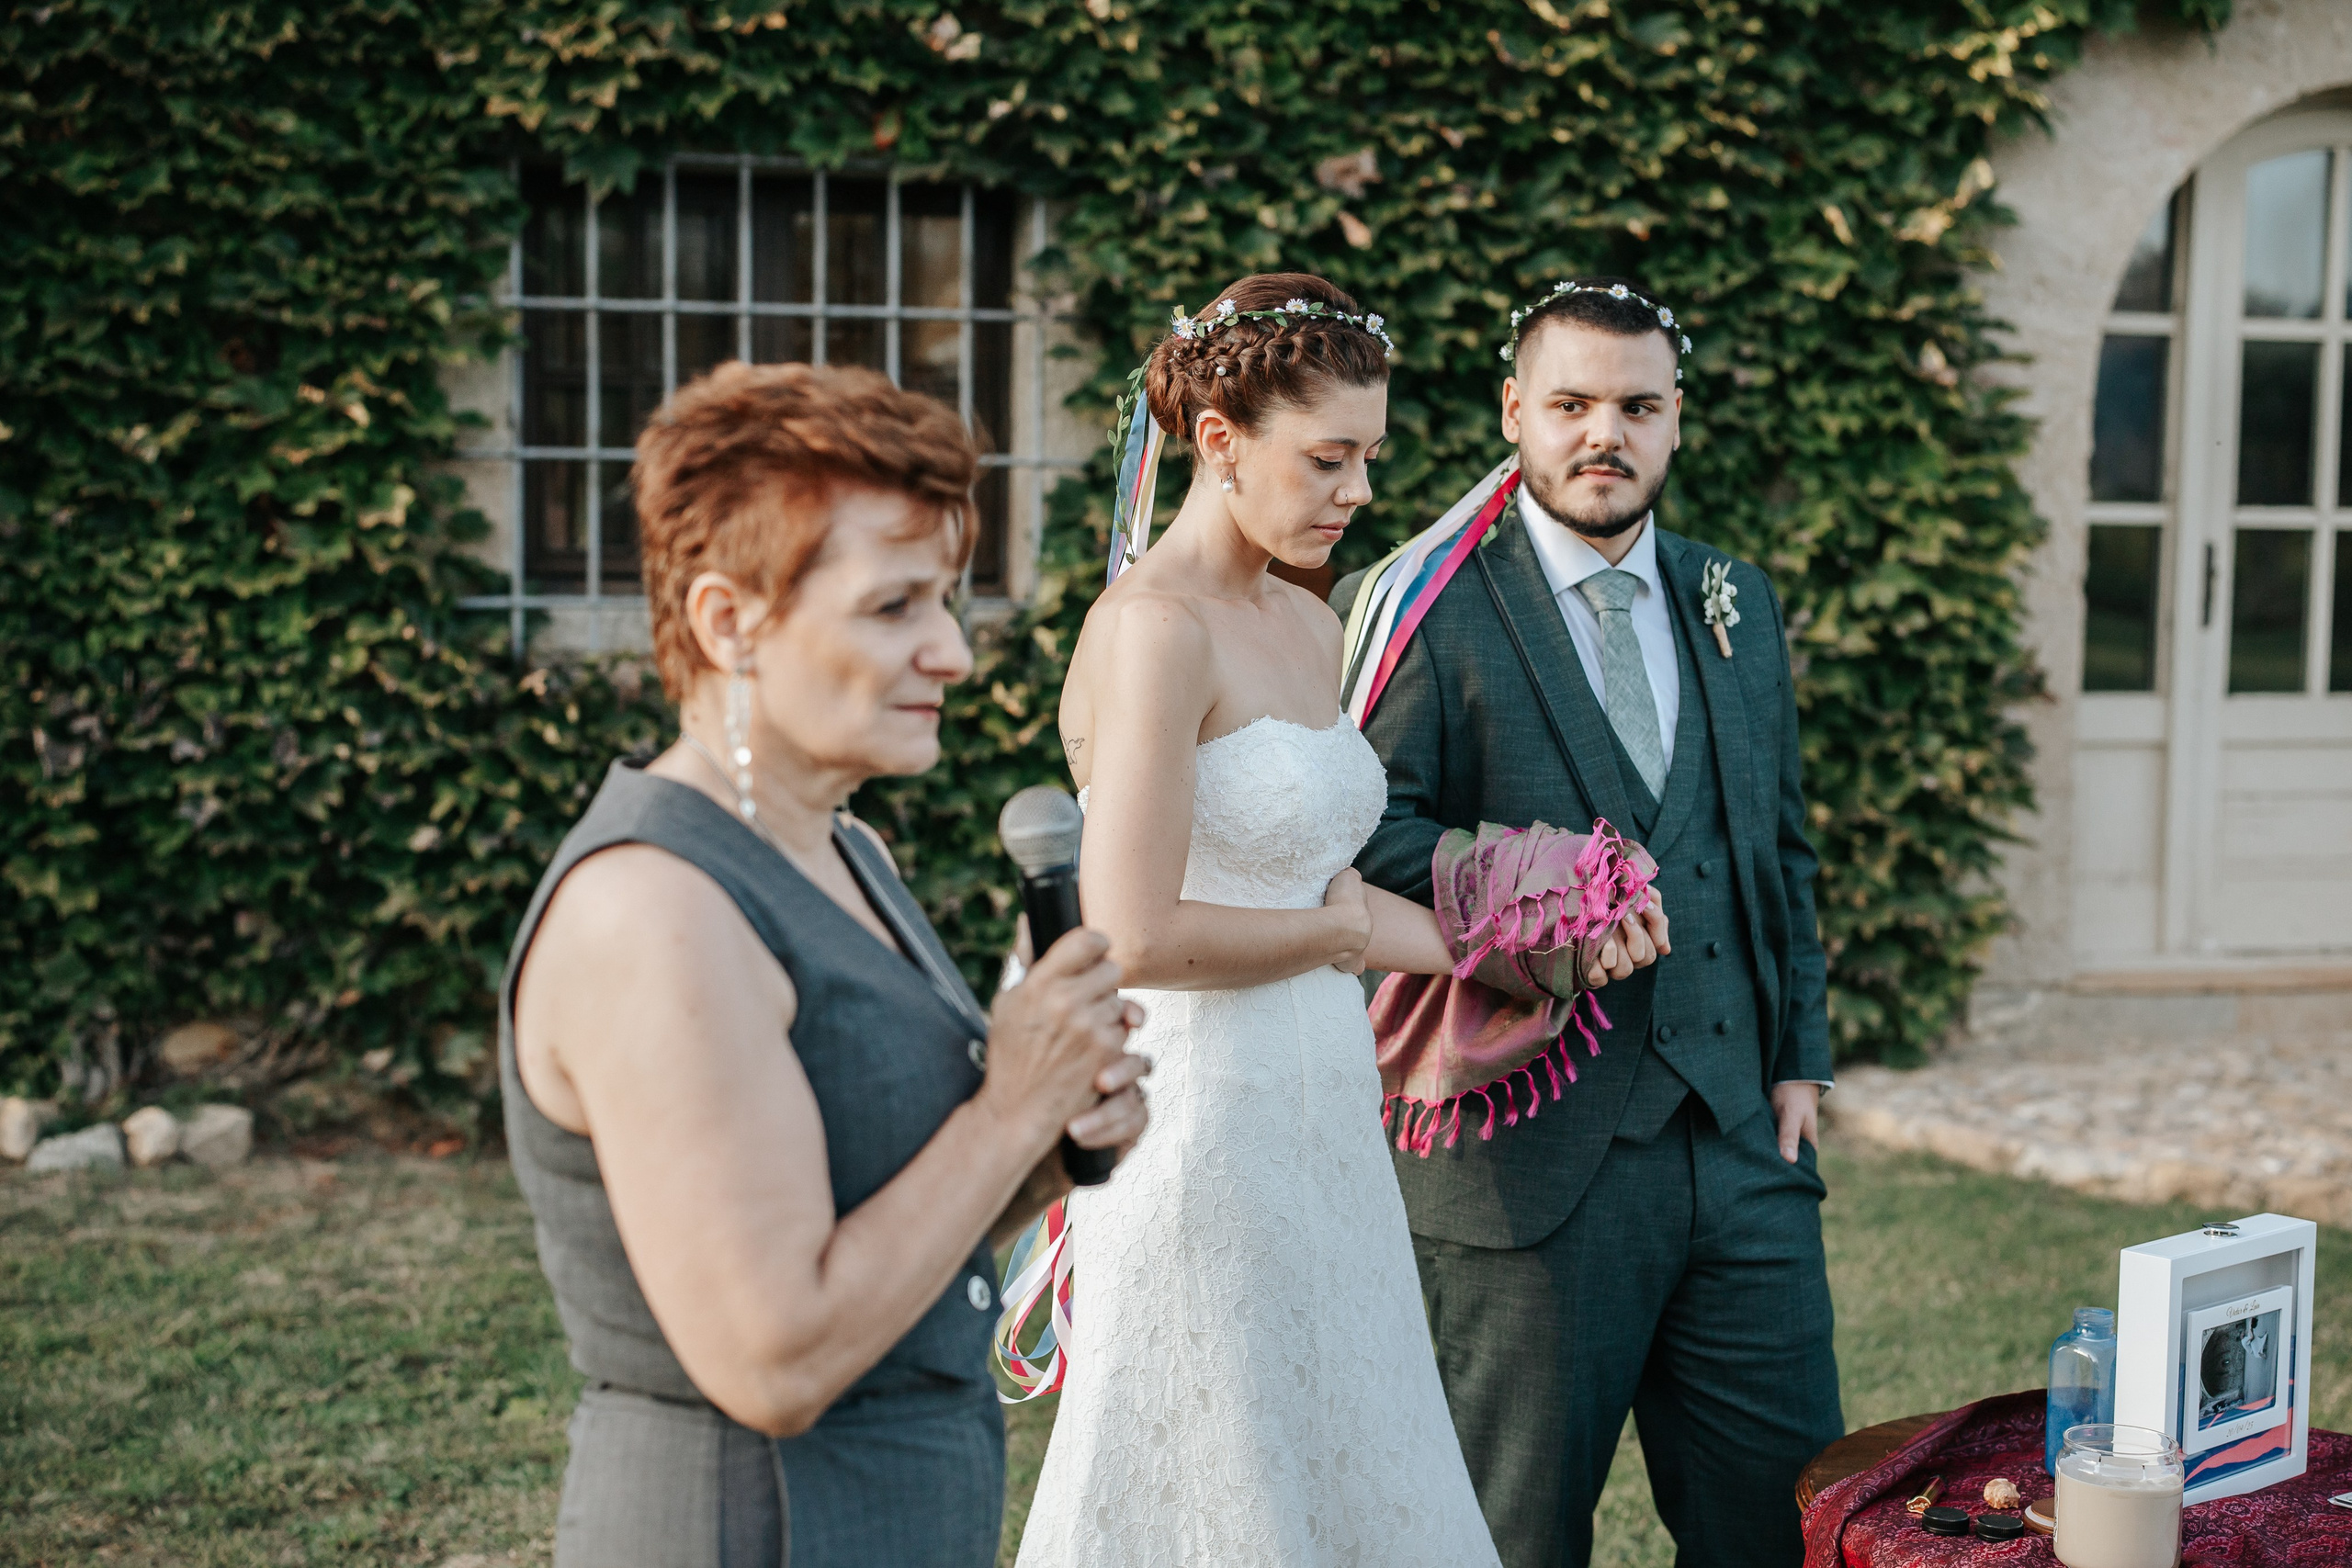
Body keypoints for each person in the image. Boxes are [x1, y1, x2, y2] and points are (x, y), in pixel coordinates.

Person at [1013, 274, 1664, 1568]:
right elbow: (1132, 927)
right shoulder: (1152, 630)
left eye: (1369, 456)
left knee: (1349, 1442)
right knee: (1220, 1470)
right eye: (1327, 459)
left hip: (1323, 1108)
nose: (1360, 492)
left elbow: (1333, 890)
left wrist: (1537, 951)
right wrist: (1324, 941)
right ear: (1218, 444)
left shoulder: (1309, 625)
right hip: (1198, 1122)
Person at [500, 362, 1151, 1568]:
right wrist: (1010, 1107)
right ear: (726, 621)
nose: (953, 651)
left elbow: (890, 1209)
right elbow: (774, 1357)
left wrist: (1052, 1134)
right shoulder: (652, 912)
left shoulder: (843, 848)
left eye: (947, 601)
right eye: (895, 607)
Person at [1333, 277, 1844, 1568]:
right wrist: (1539, 885)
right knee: (1510, 1538)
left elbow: (1777, 844)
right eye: (1569, 403)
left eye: (1635, 405)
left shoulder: (1738, 602)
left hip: (1739, 1149)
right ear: (1517, 412)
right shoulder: (1428, 607)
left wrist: (1799, 1054)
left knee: (1785, 1527)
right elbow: (1364, 833)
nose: (1600, 433)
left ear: (1678, 420)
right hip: (1523, 1163)